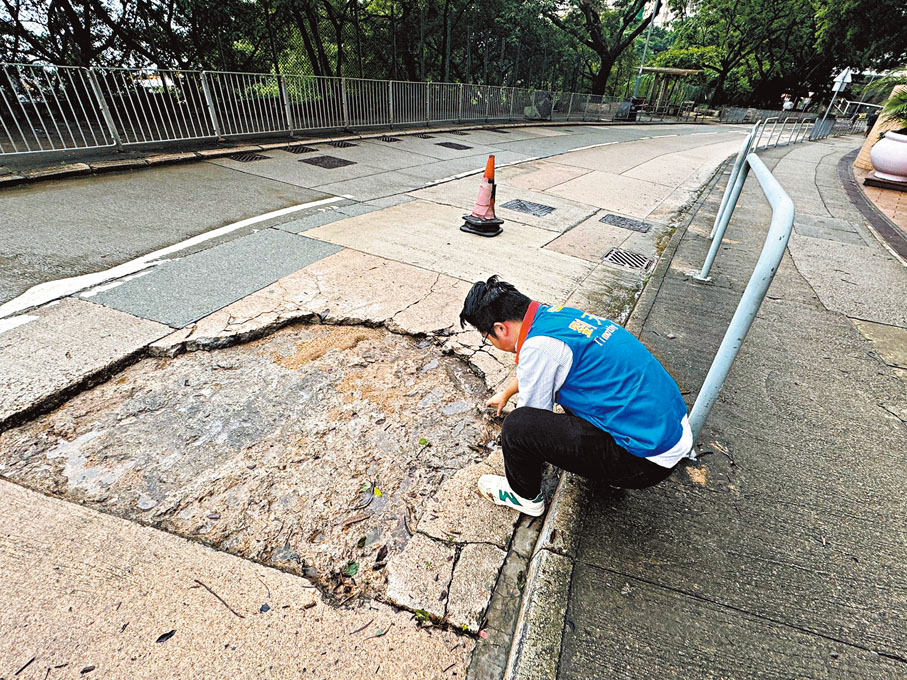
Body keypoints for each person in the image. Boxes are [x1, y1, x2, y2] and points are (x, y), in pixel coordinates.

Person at [459, 276, 692, 517]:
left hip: (645, 460)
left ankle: (524, 496)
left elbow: (532, 421)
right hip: (671, 429)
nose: (490, 342)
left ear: (500, 328)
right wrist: (507, 392)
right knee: (569, 390)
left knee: (517, 427)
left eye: (487, 338)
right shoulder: (555, 316)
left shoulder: (538, 346)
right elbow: (550, 365)